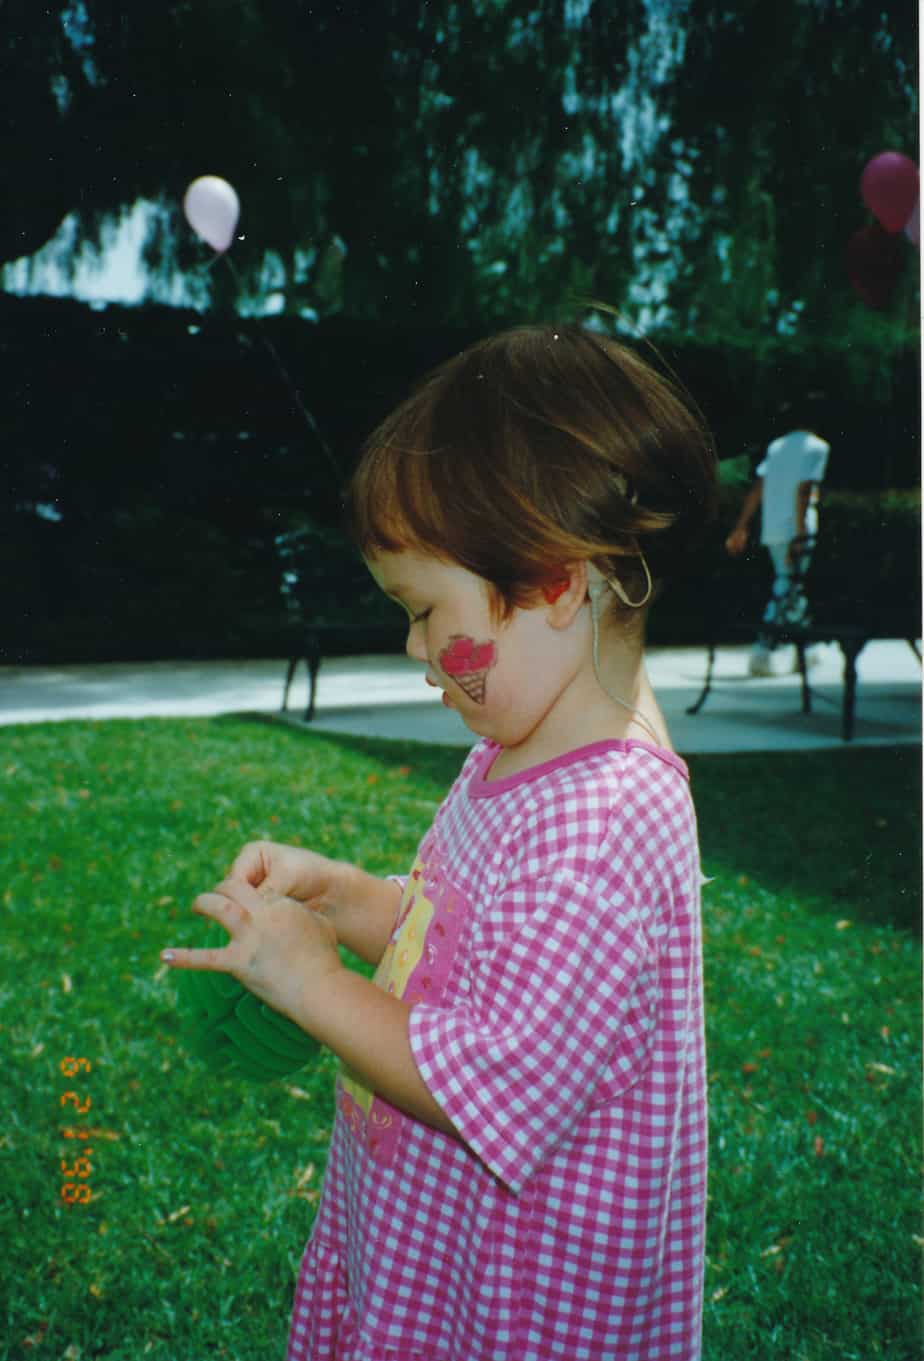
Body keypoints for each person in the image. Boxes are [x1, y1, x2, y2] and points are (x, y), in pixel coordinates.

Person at [161, 322, 718, 1361]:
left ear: (556, 579)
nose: (418, 652)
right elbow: (463, 934)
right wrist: (341, 899)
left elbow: (492, 1081)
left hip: (524, 1301)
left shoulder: (605, 822)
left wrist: (317, 985)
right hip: (441, 1244)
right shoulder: (520, 749)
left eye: (425, 610)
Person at [725, 425, 830, 676]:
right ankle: (763, 651)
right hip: (796, 529)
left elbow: (759, 487)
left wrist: (741, 526)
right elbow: (804, 490)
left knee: (792, 585)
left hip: (772, 528)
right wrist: (799, 532)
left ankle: (807, 652)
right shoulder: (817, 447)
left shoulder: (777, 446)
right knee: (786, 586)